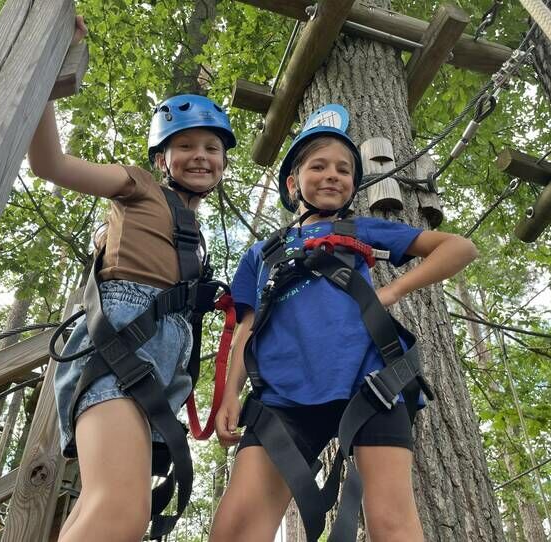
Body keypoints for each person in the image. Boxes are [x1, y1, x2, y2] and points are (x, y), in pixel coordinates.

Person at [210, 104, 477, 542]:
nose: (332, 175)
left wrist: (391, 292)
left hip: (368, 385)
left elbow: (459, 248)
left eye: (344, 169)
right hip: (282, 396)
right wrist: (229, 396)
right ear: (293, 183)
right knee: (234, 532)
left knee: (392, 525)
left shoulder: (360, 229)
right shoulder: (261, 254)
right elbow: (246, 328)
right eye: (318, 166)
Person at [27, 16, 236, 542]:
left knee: (108, 511)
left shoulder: (194, 238)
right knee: (119, 512)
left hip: (160, 360)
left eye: (212, 148)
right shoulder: (138, 186)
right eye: (186, 146)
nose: (201, 156)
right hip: (122, 340)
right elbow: (51, 165)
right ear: (161, 158)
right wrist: (51, 69)